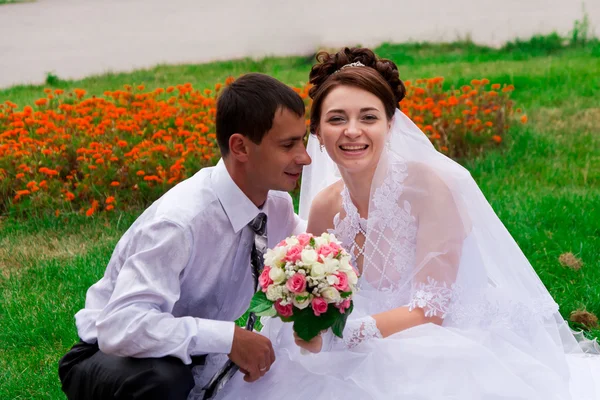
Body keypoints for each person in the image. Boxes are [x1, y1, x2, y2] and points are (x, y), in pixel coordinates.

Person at [217, 48, 600, 399]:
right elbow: (318, 297)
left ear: (390, 124)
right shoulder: (323, 207)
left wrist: (342, 335)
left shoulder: (430, 189)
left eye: (368, 117)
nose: (353, 131)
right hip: (353, 341)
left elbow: (430, 310)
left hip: (437, 337)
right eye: (337, 119)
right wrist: (307, 322)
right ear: (317, 131)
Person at [57, 72, 312, 400]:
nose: (304, 156)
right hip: (113, 356)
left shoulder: (274, 205)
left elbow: (312, 248)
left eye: (302, 140)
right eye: (288, 144)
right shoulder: (180, 222)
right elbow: (120, 326)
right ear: (240, 147)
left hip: (194, 354)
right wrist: (228, 339)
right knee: (165, 380)